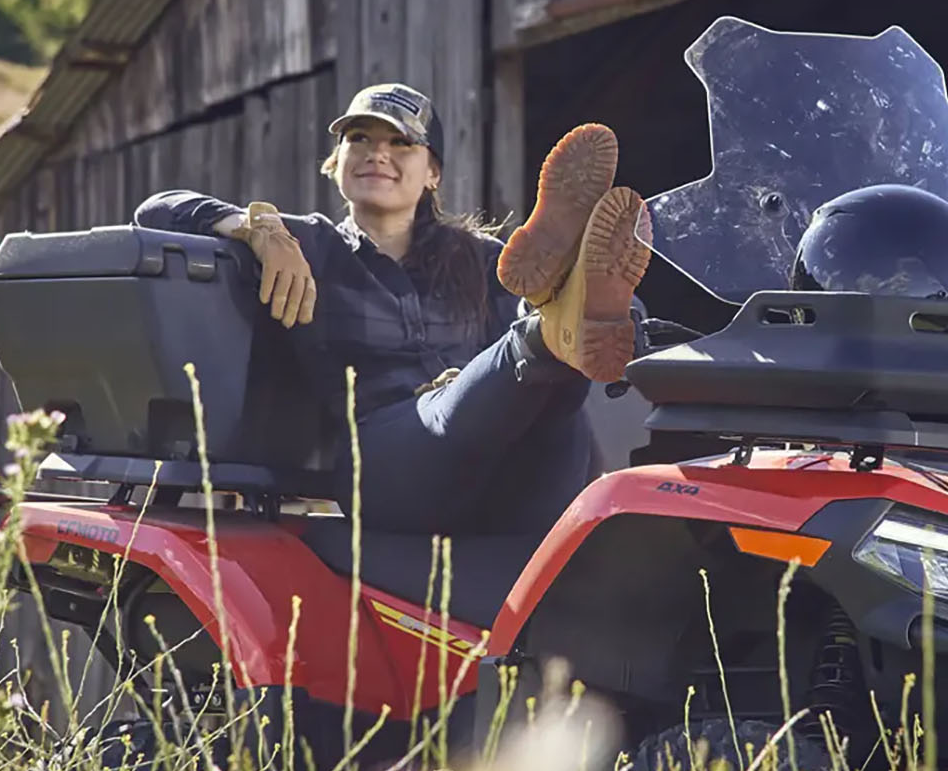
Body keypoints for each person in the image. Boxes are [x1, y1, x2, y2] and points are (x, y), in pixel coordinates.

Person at [133, 83, 649, 538]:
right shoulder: (308, 242)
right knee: (521, 354)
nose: (377, 154)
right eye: (359, 140)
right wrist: (255, 229)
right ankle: (548, 328)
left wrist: (623, 321)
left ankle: (559, 318)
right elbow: (158, 208)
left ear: (433, 173)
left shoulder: (484, 259)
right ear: (335, 163)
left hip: (508, 471)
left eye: (401, 142)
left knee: (555, 383)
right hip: (385, 465)